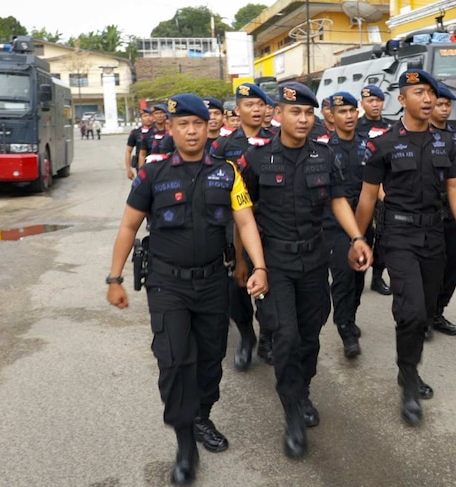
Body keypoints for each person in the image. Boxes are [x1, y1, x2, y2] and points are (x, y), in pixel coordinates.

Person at [106, 92, 268, 484]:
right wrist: (114, 278)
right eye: (183, 124)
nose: (191, 130)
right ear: (172, 129)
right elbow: (129, 227)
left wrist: (258, 265)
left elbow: (245, 221)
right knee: (175, 361)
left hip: (213, 281)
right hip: (167, 284)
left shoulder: (227, 172)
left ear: (208, 128)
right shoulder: (153, 174)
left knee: (210, 359)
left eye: (198, 123)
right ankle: (184, 442)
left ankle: (201, 417)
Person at [239, 81, 372, 459]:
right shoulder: (257, 158)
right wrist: (245, 263)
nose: (302, 118)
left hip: (314, 260)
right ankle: (293, 412)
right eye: (294, 111)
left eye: (308, 113)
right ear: (277, 115)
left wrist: (357, 237)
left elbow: (338, 200)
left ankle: (303, 390)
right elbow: (242, 212)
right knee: (286, 337)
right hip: (274, 263)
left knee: (310, 337)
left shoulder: (325, 156)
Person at [355, 70, 456, 427]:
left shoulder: (448, 143)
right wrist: (359, 238)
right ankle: (408, 378)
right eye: (419, 92)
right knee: (409, 312)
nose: (427, 99)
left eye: (431, 93)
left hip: (435, 236)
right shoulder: (383, 143)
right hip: (399, 235)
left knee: (424, 312)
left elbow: (455, 186)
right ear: (402, 99)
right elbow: (366, 194)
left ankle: (408, 367)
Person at [210, 83, 277, 372]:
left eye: (261, 104)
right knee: (236, 285)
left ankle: (267, 336)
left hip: (268, 221)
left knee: (270, 280)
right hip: (230, 223)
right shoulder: (223, 146)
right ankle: (246, 336)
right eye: (250, 105)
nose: (256, 109)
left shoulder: (277, 140)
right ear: (237, 110)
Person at [322, 91, 368, 357]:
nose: (349, 116)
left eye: (352, 111)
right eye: (342, 112)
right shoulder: (325, 149)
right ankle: (345, 328)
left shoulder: (367, 146)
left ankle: (350, 314)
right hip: (335, 225)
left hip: (363, 221)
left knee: (359, 277)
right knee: (343, 277)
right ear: (332, 115)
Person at [426, 83, 456, 339]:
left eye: (447, 105)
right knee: (430, 267)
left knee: (454, 263)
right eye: (440, 104)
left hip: (453, 209)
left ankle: (438, 311)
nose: (444, 109)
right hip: (427, 208)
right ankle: (423, 315)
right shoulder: (421, 135)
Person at [356, 85, 394, 296]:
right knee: (363, 233)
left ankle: (378, 276)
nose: (375, 104)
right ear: (363, 103)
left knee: (383, 236)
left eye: (378, 101)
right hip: (359, 187)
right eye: (370, 101)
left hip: (383, 189)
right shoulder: (355, 127)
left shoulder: (391, 127)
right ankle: (358, 271)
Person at [126, 107, 154, 180]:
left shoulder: (158, 131)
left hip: (155, 163)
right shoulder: (135, 132)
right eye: (145, 116)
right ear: (141, 118)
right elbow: (128, 151)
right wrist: (128, 169)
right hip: (141, 164)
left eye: (150, 115)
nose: (148, 118)